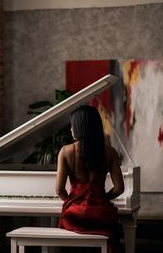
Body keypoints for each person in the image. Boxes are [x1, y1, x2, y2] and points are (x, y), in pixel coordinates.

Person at [56, 105, 125, 253]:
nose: (71, 129)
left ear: (80, 127)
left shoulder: (66, 152)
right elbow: (119, 188)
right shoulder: (110, 153)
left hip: (74, 215)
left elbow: (59, 190)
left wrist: (71, 201)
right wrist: (104, 198)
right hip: (101, 213)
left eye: (73, 126)